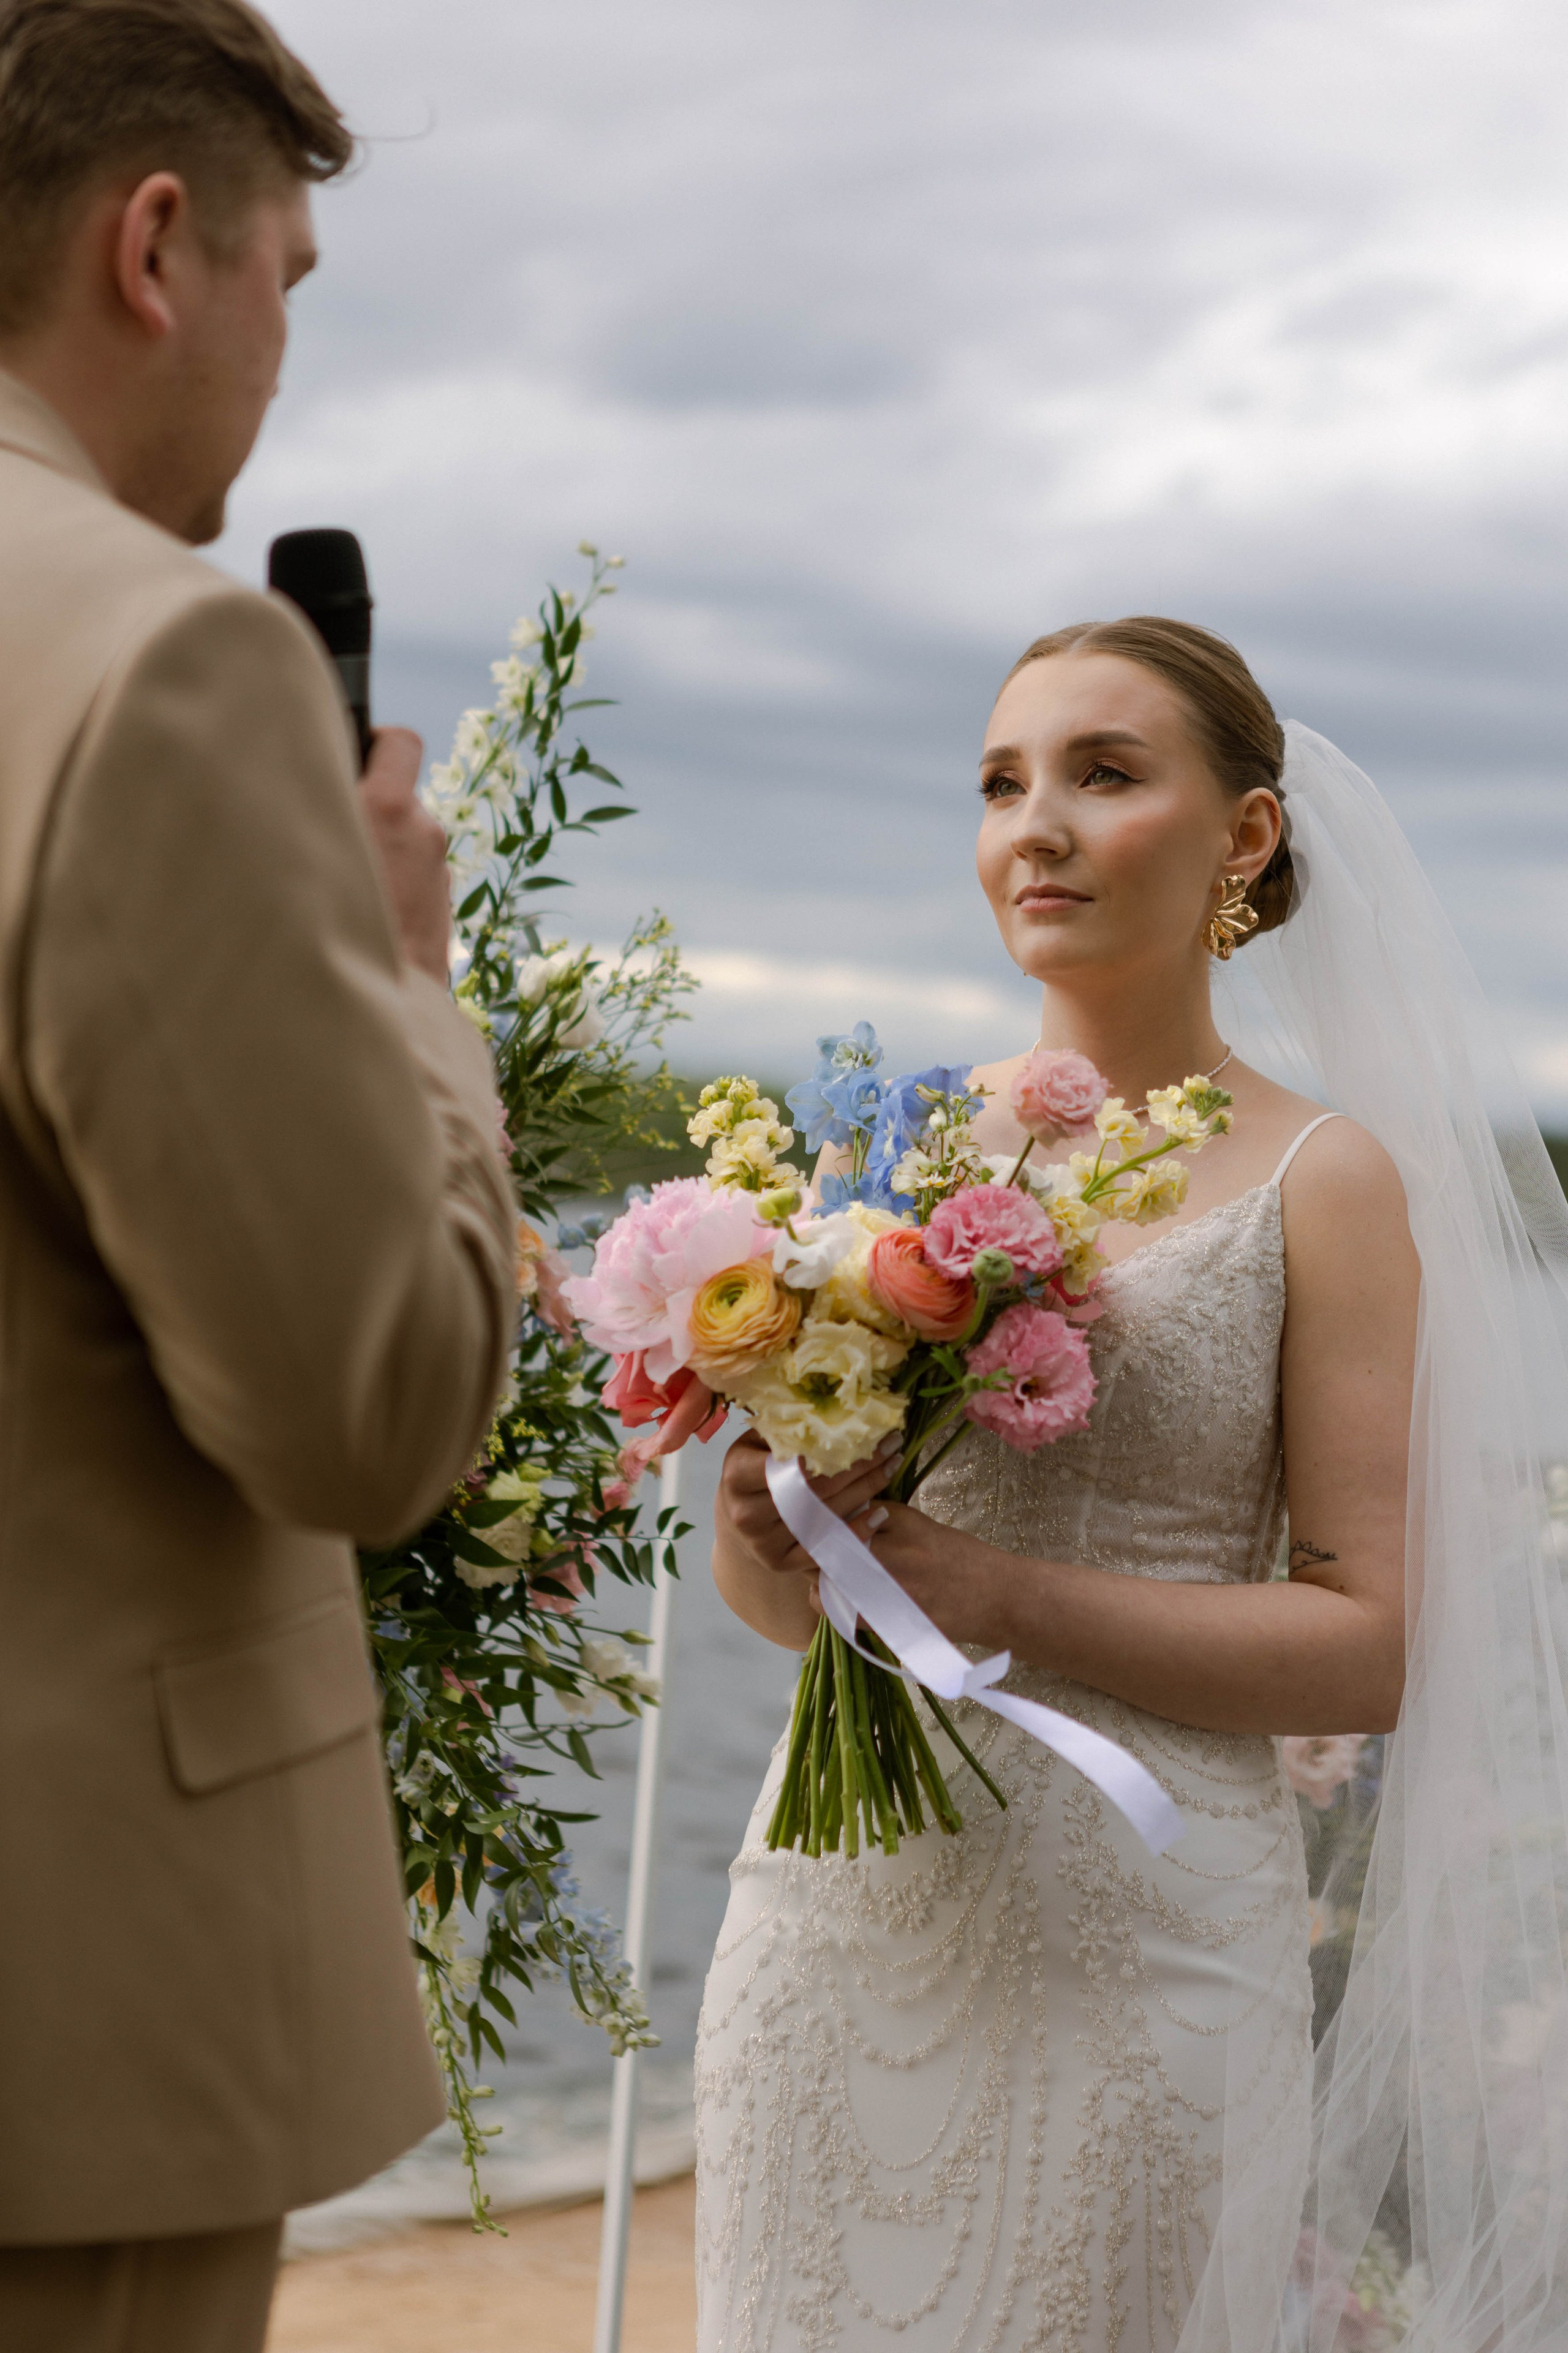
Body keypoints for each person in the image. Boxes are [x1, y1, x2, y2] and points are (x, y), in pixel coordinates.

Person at [695, 619, 1568, 2350]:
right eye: (1005, 781)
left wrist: (1007, 1598)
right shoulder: (902, 1152)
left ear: (1243, 837)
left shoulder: (1323, 1177)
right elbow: (804, 1617)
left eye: (1106, 774)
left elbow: (1364, 1645)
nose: (1038, 824)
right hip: (831, 1923)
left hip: (1136, 1953)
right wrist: (771, 1540)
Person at [0, 4, 516, 2346]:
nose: (282, 350)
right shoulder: (152, 664)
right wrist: (412, 980)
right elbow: (373, 1414)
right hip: (61, 2033)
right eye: (288, 279)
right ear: (155, 245)